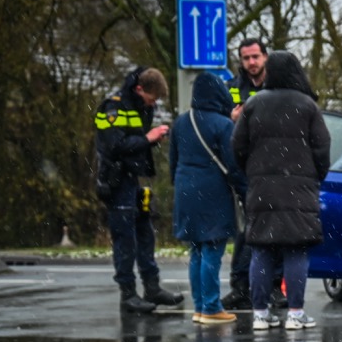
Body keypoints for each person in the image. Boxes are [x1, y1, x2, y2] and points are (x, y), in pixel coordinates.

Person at [231, 50, 330, 331]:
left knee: (261, 250)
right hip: (299, 188)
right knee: (296, 249)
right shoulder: (307, 106)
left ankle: (260, 314)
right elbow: (322, 147)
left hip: (262, 188)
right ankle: (295, 313)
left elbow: (237, 145)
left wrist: (253, 172)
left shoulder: (254, 104)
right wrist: (314, 175)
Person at [94, 66, 184, 313]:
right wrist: (148, 138)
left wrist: (151, 139)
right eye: (151, 99)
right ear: (139, 89)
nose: (152, 104)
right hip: (117, 180)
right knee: (125, 239)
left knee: (146, 234)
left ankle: (152, 288)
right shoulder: (112, 107)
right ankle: (128, 294)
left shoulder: (141, 107)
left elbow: (135, 141)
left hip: (137, 179)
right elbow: (114, 146)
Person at [169, 72, 248, 325]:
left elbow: (172, 163)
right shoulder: (222, 125)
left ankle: (199, 307)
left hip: (185, 192)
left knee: (196, 251)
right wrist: (245, 192)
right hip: (213, 192)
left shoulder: (181, 122)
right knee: (213, 249)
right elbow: (233, 166)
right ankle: (212, 307)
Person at [223, 38, 269, 310]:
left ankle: (273, 287)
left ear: (265, 57)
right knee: (247, 230)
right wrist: (231, 120)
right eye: (246, 58)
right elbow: (217, 126)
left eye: (255, 56)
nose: (251, 62)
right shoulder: (230, 89)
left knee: (274, 229)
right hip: (243, 168)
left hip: (274, 168)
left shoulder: (278, 86)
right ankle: (240, 287)